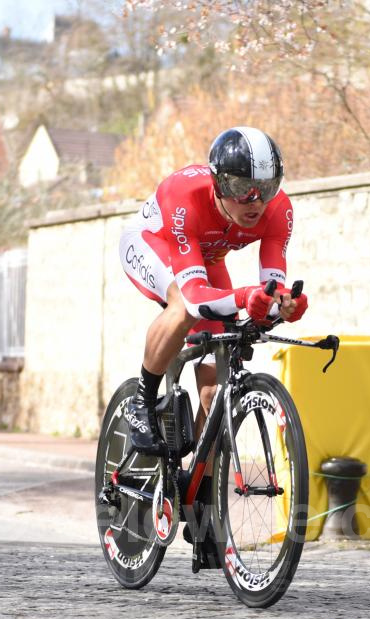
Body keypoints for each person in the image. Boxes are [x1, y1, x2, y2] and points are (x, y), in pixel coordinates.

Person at [118, 126, 308, 453]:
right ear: (220, 183)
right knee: (182, 307)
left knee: (215, 392)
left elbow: (271, 289)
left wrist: (283, 305)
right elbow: (193, 296)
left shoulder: (278, 210)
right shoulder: (185, 197)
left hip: (206, 257)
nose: (256, 201)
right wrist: (246, 297)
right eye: (242, 188)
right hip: (154, 243)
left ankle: (201, 496)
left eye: (266, 187)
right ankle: (142, 402)